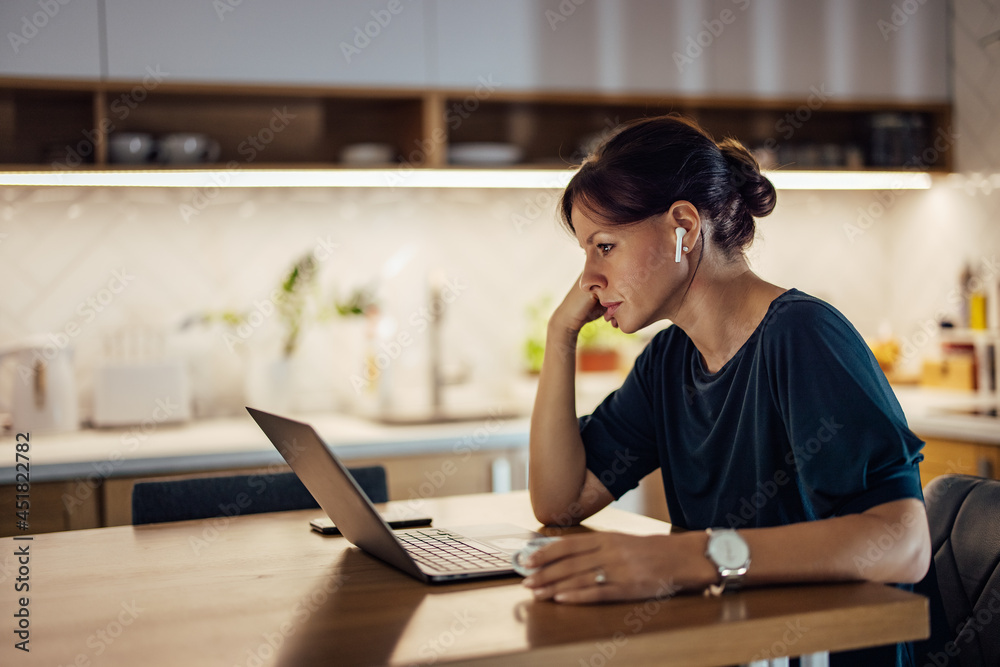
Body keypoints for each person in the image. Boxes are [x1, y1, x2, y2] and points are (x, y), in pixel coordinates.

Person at [523, 114, 931, 666]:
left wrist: (689, 557)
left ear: (684, 228)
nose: (588, 278)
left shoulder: (802, 335)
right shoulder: (669, 360)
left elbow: (904, 543)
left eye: (605, 247)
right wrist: (560, 333)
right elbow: (560, 500)